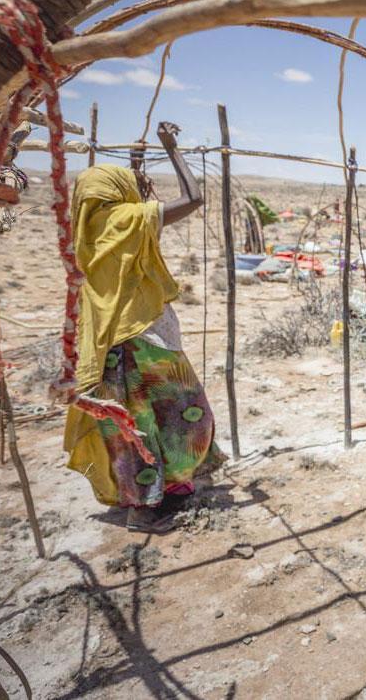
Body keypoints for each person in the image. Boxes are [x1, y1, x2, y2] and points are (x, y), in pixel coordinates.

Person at [64, 121, 224, 533]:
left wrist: (135, 164)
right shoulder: (128, 220)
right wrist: (172, 148)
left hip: (105, 345)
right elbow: (193, 197)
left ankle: (151, 499)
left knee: (130, 427)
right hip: (145, 340)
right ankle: (150, 506)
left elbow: (129, 205)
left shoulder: (87, 227)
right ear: (118, 193)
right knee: (187, 417)